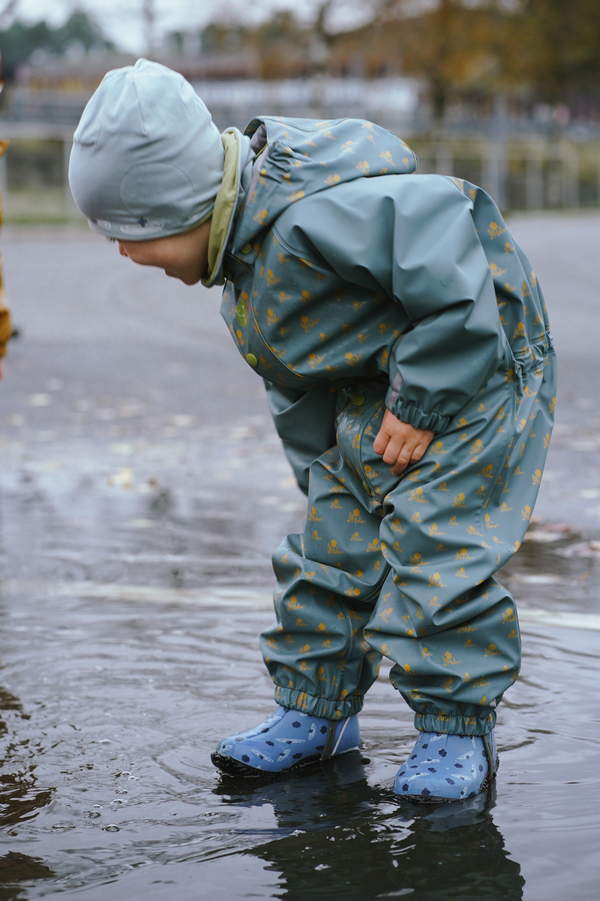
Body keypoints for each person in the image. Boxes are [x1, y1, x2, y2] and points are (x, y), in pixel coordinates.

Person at [69, 59, 556, 802]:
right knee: (327, 552)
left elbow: (457, 275)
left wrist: (423, 401)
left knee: (437, 550)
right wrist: (325, 476)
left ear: (188, 204)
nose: (126, 254)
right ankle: (316, 711)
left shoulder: (313, 217)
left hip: (473, 370)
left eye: (134, 233)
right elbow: (294, 384)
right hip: (378, 387)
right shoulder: (242, 269)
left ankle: (458, 724)